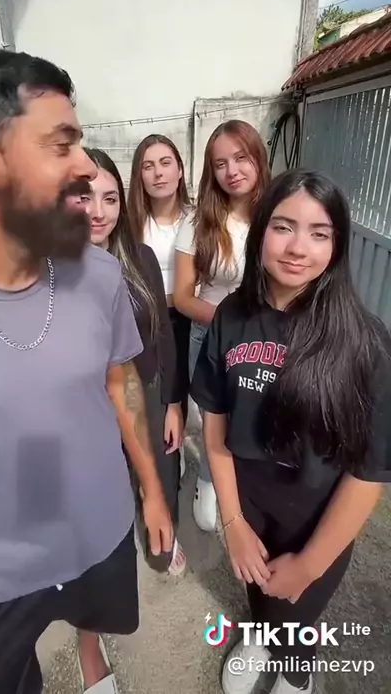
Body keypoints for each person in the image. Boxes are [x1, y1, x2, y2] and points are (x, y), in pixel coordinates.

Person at [0, 47, 173, 694]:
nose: (85, 167)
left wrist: (152, 488)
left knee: (97, 616)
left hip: (101, 534)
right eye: (61, 145)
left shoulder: (101, 275)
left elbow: (121, 383)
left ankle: (92, 657)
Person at [191, 169, 391, 694]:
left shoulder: (365, 342)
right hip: (249, 505)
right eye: (283, 227)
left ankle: (297, 675)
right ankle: (261, 638)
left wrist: (309, 564)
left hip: (315, 518)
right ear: (260, 232)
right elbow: (215, 424)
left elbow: (368, 472)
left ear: (337, 245)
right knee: (258, 593)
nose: (298, 248)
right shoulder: (232, 316)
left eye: (319, 233)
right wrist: (233, 521)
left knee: (298, 614)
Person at [83, 147, 186, 576]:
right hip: (90, 407)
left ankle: (162, 538)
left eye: (110, 199)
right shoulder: (53, 273)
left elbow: (162, 334)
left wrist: (173, 403)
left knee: (161, 479)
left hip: (146, 389)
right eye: (84, 197)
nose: (98, 212)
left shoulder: (140, 257)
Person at [174, 119, 270, 532]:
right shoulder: (199, 221)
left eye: (241, 158)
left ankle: (241, 483)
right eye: (220, 163)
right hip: (211, 335)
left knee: (254, 418)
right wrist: (233, 321)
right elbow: (183, 297)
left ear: (258, 158)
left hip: (268, 338)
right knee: (214, 419)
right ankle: (209, 481)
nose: (232, 170)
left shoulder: (278, 214)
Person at [127, 134, 192, 477]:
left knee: (194, 414)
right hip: (149, 327)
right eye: (148, 166)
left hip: (192, 323)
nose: (158, 173)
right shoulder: (130, 226)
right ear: (139, 176)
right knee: (156, 412)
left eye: (166, 163)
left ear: (180, 169)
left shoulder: (198, 220)